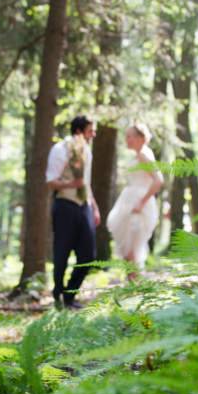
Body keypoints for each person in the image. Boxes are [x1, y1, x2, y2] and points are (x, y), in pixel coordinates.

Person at [45, 116, 101, 309]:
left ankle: (71, 293)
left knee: (88, 255)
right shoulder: (60, 150)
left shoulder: (88, 152)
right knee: (62, 251)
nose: (93, 134)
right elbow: (51, 181)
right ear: (79, 131)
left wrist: (94, 207)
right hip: (64, 205)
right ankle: (58, 293)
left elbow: (86, 183)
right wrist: (70, 184)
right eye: (90, 131)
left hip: (83, 206)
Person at [106, 123, 163, 280]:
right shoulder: (139, 155)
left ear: (140, 138)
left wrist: (141, 202)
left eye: (129, 136)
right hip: (129, 201)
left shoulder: (144, 155)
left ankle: (135, 284)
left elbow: (158, 181)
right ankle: (133, 283)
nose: (127, 139)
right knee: (127, 246)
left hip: (138, 204)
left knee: (132, 247)